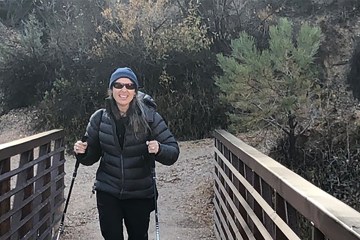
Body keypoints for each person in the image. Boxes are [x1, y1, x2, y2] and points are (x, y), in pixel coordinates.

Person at [73, 67, 180, 240]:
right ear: (111, 89)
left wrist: (159, 148)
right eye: (118, 85)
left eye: (130, 86)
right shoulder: (99, 118)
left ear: (135, 91)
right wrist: (82, 152)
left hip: (139, 193)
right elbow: (91, 157)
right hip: (108, 191)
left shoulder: (150, 118)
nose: (124, 90)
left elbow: (173, 152)